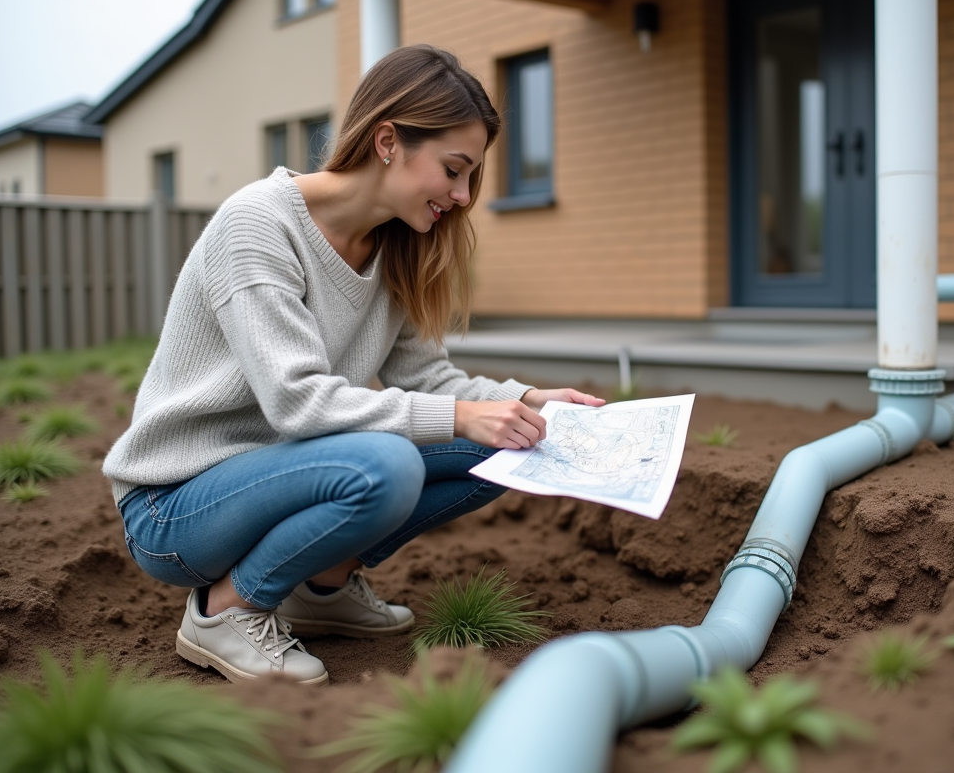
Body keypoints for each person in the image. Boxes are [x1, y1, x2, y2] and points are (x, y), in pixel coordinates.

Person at [102, 45, 603, 686]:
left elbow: (430, 382)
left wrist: (529, 401)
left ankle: (320, 587)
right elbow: (298, 403)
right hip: (178, 504)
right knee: (387, 464)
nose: (463, 194)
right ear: (388, 139)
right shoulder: (258, 224)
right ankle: (225, 608)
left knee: (518, 445)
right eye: (454, 169)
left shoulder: (396, 246)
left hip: (287, 469)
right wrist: (462, 414)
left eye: (472, 177)